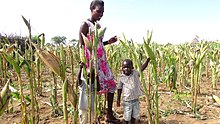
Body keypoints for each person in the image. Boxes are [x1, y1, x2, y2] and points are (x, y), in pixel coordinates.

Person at [79, 0, 120, 123]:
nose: (101, 14)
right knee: (93, 88)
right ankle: (92, 117)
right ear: (91, 9)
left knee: (111, 85)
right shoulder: (85, 24)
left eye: (102, 12)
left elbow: (99, 44)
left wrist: (109, 42)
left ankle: (109, 114)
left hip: (102, 62)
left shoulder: (98, 26)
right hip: (91, 62)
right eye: (98, 11)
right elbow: (81, 45)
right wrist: (85, 64)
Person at [117, 58, 150, 124]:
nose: (126, 69)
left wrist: (147, 60)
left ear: (132, 67)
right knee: (127, 117)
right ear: (122, 68)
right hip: (127, 101)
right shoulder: (121, 77)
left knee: (134, 116)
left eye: (128, 67)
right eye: (124, 67)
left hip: (136, 100)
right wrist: (118, 99)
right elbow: (119, 89)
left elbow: (142, 68)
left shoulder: (135, 73)